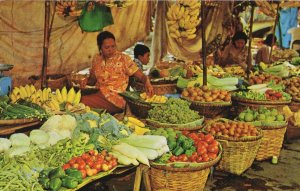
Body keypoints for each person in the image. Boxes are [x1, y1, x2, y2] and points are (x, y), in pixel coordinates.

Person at [80, 31, 154, 114]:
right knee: (76, 99)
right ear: (100, 47)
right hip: (100, 94)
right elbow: (92, 81)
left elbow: (141, 76)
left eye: (113, 46)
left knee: (81, 102)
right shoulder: (97, 59)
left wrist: (147, 83)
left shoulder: (124, 59)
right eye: (107, 47)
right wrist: (84, 81)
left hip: (116, 99)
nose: (111, 50)